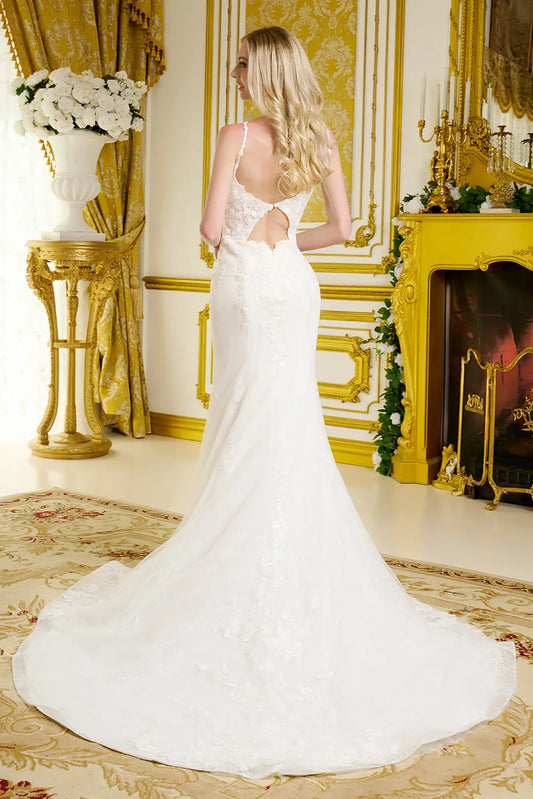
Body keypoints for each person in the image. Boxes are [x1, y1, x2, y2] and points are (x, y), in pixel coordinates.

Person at [13, 26, 515, 780]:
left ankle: (232, 542)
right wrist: (284, 243)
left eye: (243, 64)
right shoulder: (319, 138)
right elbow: (341, 229)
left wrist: (250, 245)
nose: (236, 74)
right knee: (289, 420)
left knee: (245, 414)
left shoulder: (236, 136)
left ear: (265, 70)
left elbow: (212, 230)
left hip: (248, 285)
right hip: (292, 286)